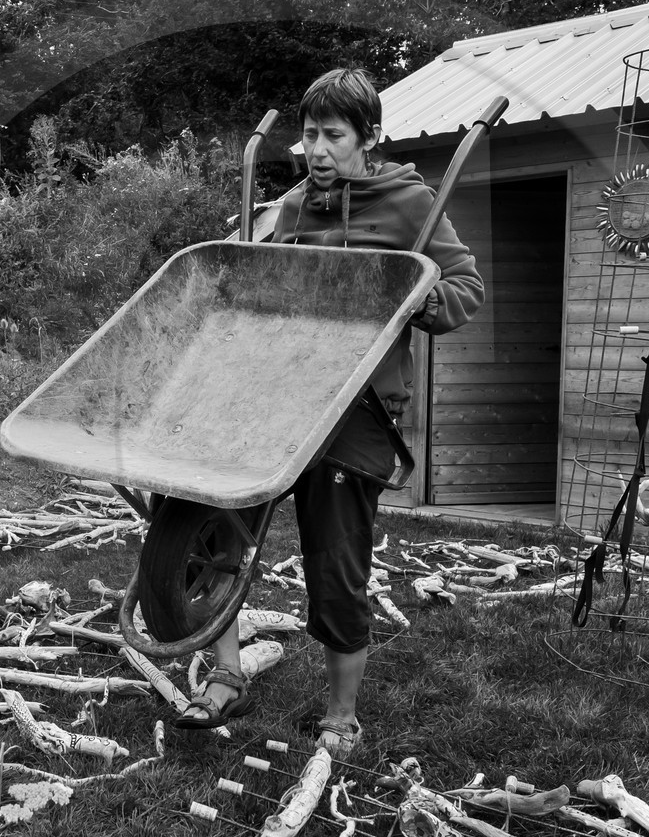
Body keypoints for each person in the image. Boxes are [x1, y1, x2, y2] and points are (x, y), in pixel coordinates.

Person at [176, 67, 483, 750]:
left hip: (354, 412)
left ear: (367, 138)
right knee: (215, 533)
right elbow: (234, 277)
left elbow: (465, 283)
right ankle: (226, 674)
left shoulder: (409, 202)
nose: (316, 150)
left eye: (333, 136)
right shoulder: (286, 207)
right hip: (270, 401)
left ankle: (341, 712)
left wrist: (420, 297)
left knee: (337, 568)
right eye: (309, 134)